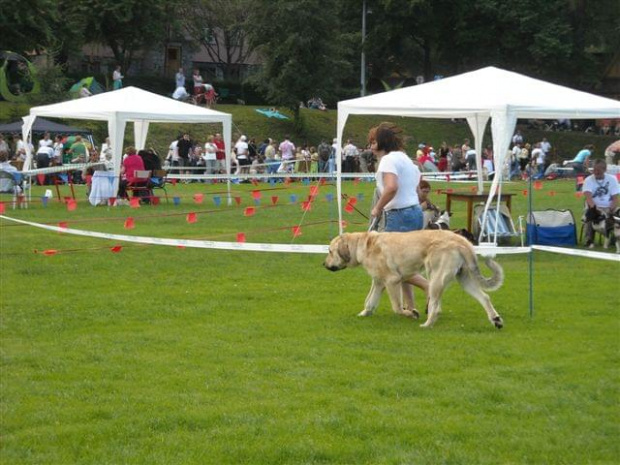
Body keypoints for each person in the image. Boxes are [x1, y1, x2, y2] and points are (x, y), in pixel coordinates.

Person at [368, 122, 428, 314]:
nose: (370, 146)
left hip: (399, 215)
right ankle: (410, 307)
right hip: (415, 212)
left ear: (380, 143)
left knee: (389, 265)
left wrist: (378, 207)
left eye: (372, 142)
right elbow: (418, 192)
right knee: (405, 262)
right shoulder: (408, 161)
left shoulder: (387, 161)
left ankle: (429, 288)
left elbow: (391, 187)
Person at [582, 159, 619, 247]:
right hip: (594, 206)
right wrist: (596, 209)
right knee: (590, 215)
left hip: (609, 206)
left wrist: (610, 209)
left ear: (605, 169)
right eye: (594, 169)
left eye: (598, 170)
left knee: (618, 215)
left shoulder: (612, 179)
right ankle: (589, 240)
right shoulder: (588, 180)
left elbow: (615, 198)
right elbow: (588, 198)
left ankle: (615, 239)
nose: (596, 172)